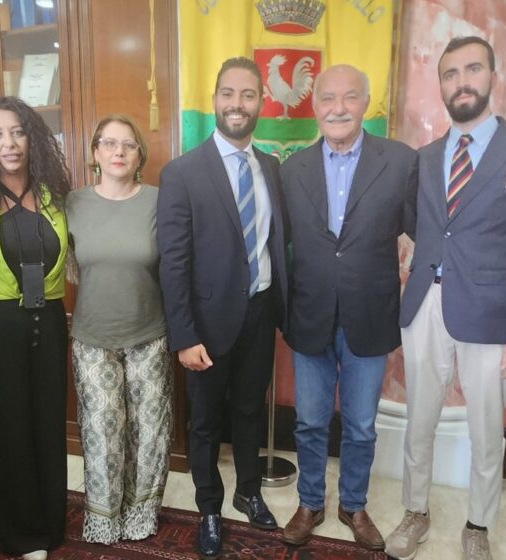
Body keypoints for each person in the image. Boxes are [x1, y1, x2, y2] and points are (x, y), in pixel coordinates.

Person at [383, 36, 506, 560]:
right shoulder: (425, 158)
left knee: (486, 428)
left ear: (492, 76)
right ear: (441, 85)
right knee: (420, 421)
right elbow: (422, 226)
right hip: (424, 305)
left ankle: (478, 524)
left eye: (472, 69)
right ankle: (415, 511)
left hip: (493, 315)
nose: (461, 82)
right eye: (450, 73)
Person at [278, 64, 418, 552]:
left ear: (366, 103)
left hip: (371, 316)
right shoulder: (291, 169)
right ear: (314, 106)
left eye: (350, 97)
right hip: (309, 314)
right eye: (328, 98)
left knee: (360, 425)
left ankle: (353, 505)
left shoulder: (400, 162)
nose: (338, 108)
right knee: (310, 422)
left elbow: (428, 232)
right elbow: (277, 243)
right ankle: (310, 502)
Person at [157, 56, 288, 559]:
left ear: (261, 103)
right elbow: (173, 263)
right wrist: (184, 335)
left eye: (248, 95)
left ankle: (248, 492)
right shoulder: (182, 173)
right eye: (228, 93)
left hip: (260, 312)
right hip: (206, 324)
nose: (238, 103)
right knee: (207, 421)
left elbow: (276, 243)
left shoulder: (271, 168)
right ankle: (209, 508)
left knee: (251, 410)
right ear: (214, 100)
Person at [0, 96, 72, 560]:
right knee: (6, 430)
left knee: (47, 425)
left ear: (32, 137)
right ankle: (20, 534)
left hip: (49, 323)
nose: (9, 143)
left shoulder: (54, 194)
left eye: (18, 131)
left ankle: (49, 523)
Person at [65, 114, 172, 544]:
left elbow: (174, 265)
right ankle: (105, 517)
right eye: (109, 143)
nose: (118, 152)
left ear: (139, 155)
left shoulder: (159, 201)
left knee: (150, 434)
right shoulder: (72, 203)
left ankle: (141, 513)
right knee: (102, 435)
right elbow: (68, 267)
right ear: (95, 152)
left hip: (149, 335)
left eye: (128, 144)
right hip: (93, 338)